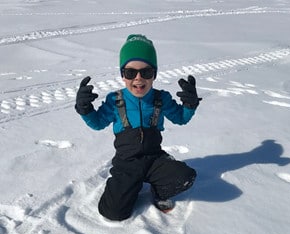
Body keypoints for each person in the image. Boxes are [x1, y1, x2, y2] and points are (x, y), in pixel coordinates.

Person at [75, 34, 201, 221]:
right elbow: (97, 123)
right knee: (113, 212)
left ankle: (158, 190)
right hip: (127, 163)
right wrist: (85, 109)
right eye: (130, 72)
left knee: (185, 176)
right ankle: (126, 186)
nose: (138, 78)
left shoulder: (161, 98)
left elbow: (181, 118)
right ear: (122, 75)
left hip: (154, 159)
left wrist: (189, 106)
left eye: (146, 72)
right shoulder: (115, 100)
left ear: (154, 74)